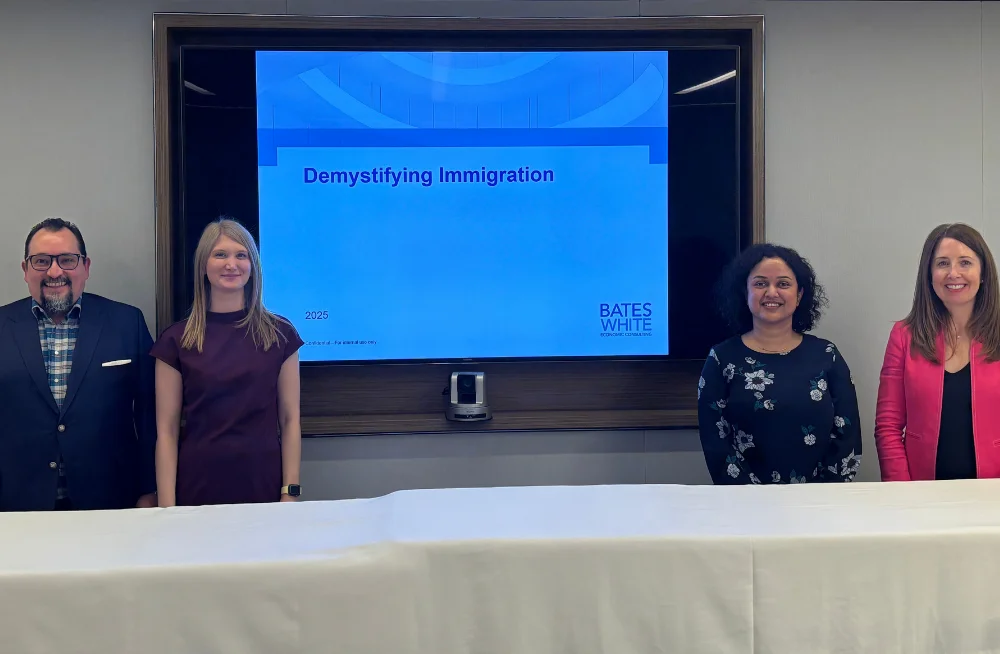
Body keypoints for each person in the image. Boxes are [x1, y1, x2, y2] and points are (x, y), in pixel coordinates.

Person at [0, 218, 156, 510]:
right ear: (25, 270)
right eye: (42, 261)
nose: (55, 271)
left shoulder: (126, 322)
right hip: (17, 508)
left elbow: (150, 418)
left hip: (110, 504)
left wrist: (150, 489)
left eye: (67, 260)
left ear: (85, 267)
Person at [151, 218, 303, 506]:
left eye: (241, 255)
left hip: (265, 486)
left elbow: (290, 419)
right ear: (203, 265)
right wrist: (167, 509)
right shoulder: (176, 341)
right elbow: (167, 432)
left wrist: (290, 492)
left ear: (253, 265)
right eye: (220, 254)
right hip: (197, 487)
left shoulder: (281, 335)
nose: (231, 264)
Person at [697, 243, 862, 484]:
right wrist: (753, 498)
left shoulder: (827, 355)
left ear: (799, 295)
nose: (771, 292)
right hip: (745, 505)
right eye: (760, 283)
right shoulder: (722, 359)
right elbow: (715, 442)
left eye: (783, 284)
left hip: (820, 504)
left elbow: (848, 436)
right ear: (745, 292)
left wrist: (819, 497)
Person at [874, 223, 1000, 481]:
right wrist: (902, 491)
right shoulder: (903, 335)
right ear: (929, 275)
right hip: (922, 493)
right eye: (942, 263)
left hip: (992, 492)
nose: (954, 273)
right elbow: (888, 426)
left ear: (983, 272)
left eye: (965, 262)